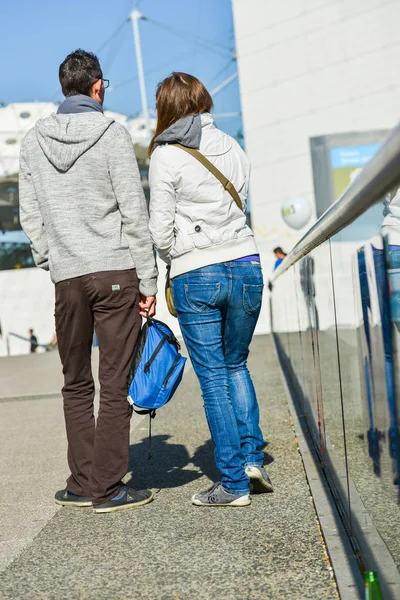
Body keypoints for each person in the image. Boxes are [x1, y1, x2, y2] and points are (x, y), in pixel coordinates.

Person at [19, 49, 157, 513]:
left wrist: (50, 259)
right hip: (115, 270)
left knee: (75, 382)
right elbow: (132, 212)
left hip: (68, 276)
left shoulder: (32, 141)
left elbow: (30, 214)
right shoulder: (112, 134)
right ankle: (109, 488)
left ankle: (82, 481)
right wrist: (149, 279)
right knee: (114, 380)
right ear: (98, 86)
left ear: (65, 88)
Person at [149, 72, 273, 507]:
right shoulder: (235, 148)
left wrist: (176, 250)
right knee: (237, 364)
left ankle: (234, 484)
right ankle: (253, 459)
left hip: (197, 272)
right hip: (247, 265)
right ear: (202, 100)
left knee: (214, 379)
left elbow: (160, 230)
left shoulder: (166, 154)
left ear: (167, 106)